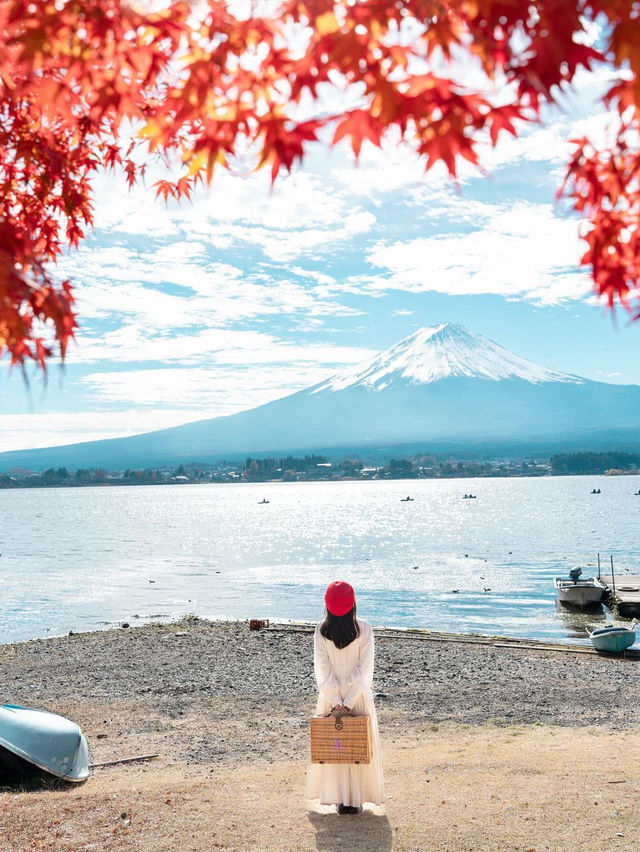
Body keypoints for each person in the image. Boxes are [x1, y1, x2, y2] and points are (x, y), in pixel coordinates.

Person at [306, 580, 384, 814]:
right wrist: (349, 700)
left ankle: (340, 798)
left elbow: (321, 670)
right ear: (353, 605)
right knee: (357, 748)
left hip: (330, 698)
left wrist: (335, 700)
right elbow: (364, 671)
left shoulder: (321, 630)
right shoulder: (365, 629)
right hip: (358, 698)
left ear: (327, 605)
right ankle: (355, 799)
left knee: (336, 746)